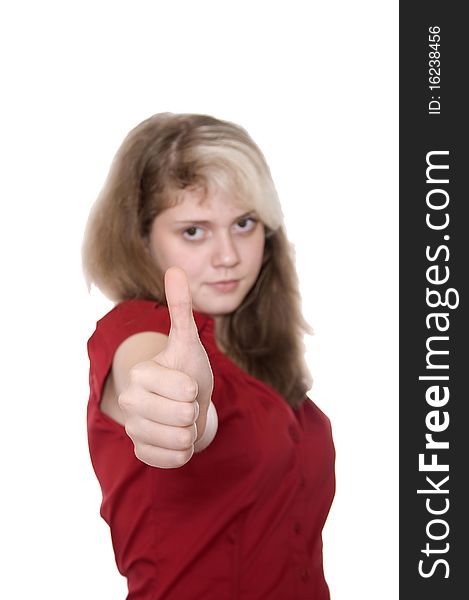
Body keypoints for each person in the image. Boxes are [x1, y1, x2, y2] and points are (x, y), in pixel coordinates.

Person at [82, 112, 335, 599]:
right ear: (141, 238)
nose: (228, 255)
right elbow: (158, 381)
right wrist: (181, 413)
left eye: (244, 224)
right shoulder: (139, 332)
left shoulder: (253, 354)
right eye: (194, 231)